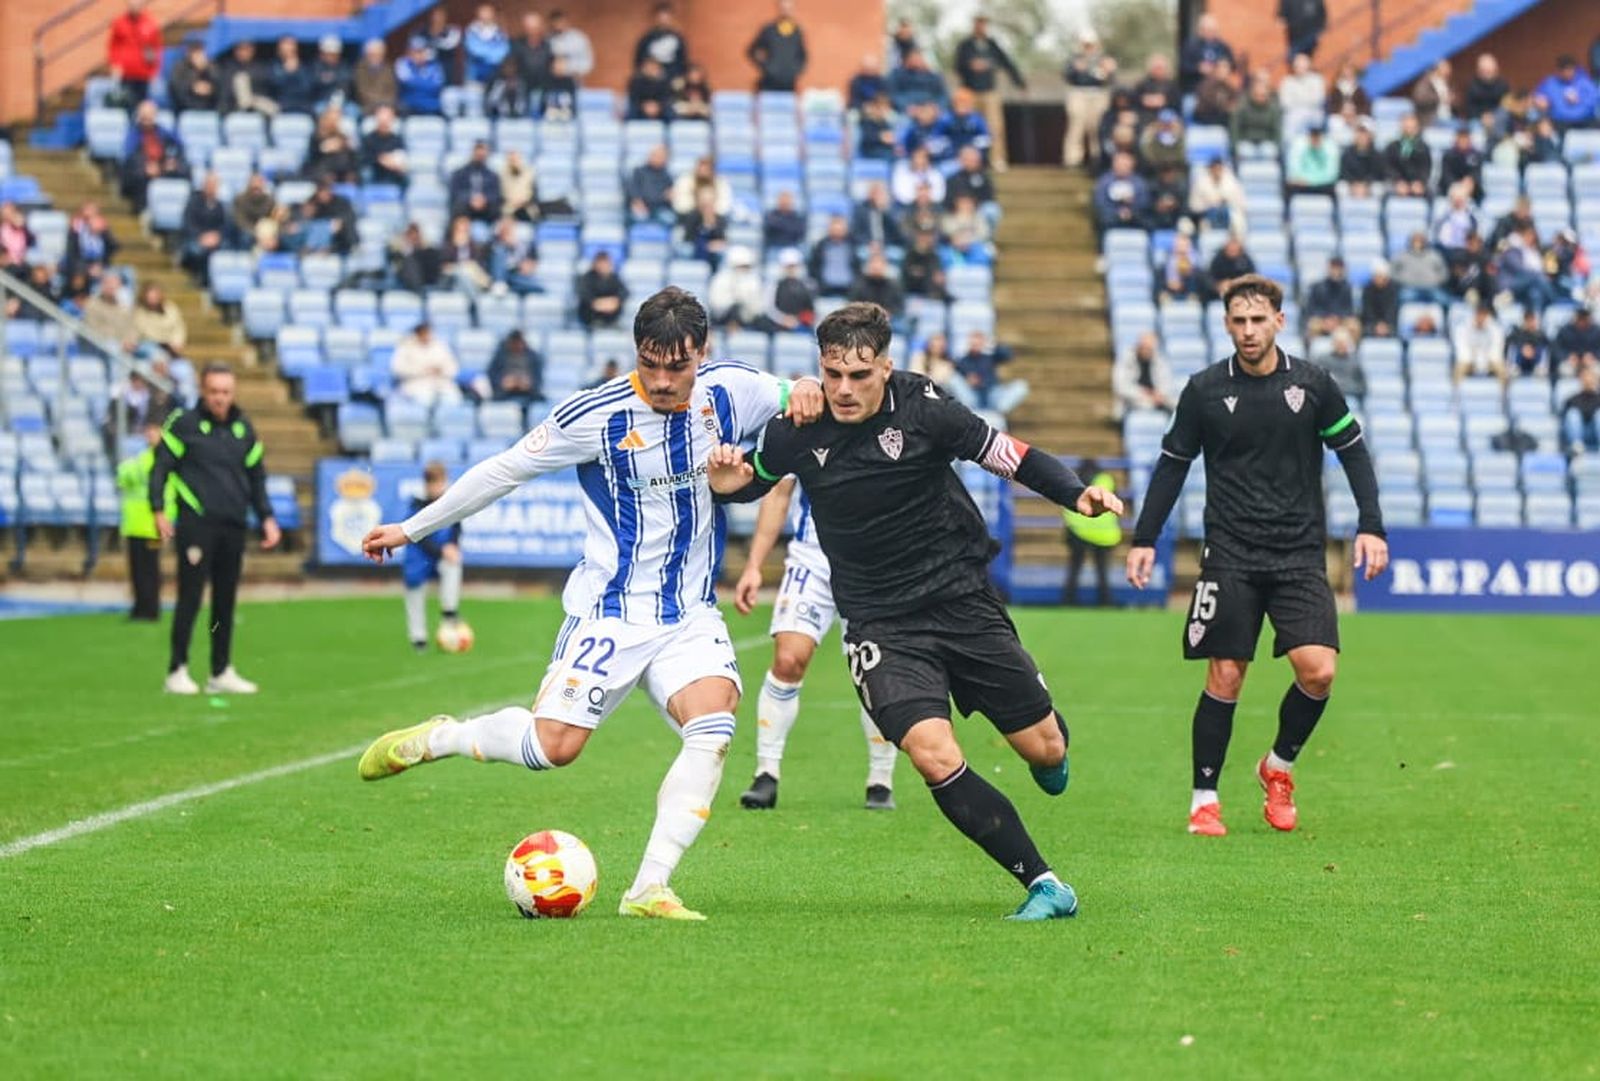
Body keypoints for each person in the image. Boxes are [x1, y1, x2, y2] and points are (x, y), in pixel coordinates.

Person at [354, 287, 826, 922]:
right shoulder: (595, 414)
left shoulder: (729, 390)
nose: (661, 381)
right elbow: (501, 470)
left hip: (686, 612)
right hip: (609, 609)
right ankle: (444, 737)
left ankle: (648, 888)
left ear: (701, 354)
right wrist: (413, 528)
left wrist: (803, 385)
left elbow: (794, 391)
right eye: (649, 365)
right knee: (553, 749)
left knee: (713, 725)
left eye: (676, 367)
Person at [707, 301, 1123, 920]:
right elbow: (755, 480)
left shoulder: (927, 408)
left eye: (860, 376)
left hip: (960, 599)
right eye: (832, 374)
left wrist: (1075, 493)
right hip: (879, 622)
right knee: (933, 754)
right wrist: (725, 479)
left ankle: (1051, 740)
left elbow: (1007, 453)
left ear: (887, 367)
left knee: (1045, 749)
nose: (844, 390)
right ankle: (1044, 883)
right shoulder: (798, 426)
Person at [1125, 275, 1387, 837]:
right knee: (1226, 673)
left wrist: (1371, 526)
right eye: (1238, 321)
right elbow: (1173, 463)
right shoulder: (1203, 391)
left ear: (1279, 321)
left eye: (1258, 320)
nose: (1248, 331)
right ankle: (1204, 798)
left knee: (1318, 671)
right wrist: (1145, 537)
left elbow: (1354, 452)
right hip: (1231, 552)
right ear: (1226, 325)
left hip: (1298, 553)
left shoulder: (1314, 386)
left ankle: (1278, 766)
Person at [732, 477, 899, 810]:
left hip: (876, 568)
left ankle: (881, 779)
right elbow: (779, 493)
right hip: (812, 561)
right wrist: (754, 566)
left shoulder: (894, 425)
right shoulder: (799, 424)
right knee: (788, 660)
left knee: (877, 669)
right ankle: (766, 773)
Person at [150, 364, 281, 695]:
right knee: (190, 598)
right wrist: (158, 508)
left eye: (226, 392)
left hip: (233, 524)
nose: (220, 398)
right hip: (197, 525)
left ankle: (220, 671)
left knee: (225, 601)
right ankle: (176, 669)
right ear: (203, 391)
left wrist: (266, 516)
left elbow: (256, 476)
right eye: (214, 392)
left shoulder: (243, 427)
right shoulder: (184, 425)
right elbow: (161, 466)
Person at [403, 462, 467, 652]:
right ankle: (418, 639)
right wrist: (442, 551)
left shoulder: (450, 502)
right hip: (419, 555)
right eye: (434, 483)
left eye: (440, 482)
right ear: (427, 484)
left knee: (453, 564)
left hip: (441, 553)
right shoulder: (416, 505)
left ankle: (449, 611)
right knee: (414, 592)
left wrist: (452, 546)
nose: (437, 487)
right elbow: (418, 537)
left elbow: (457, 526)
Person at [953, 15, 1024, 171]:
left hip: (990, 91)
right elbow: (957, 66)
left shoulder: (992, 45)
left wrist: (1019, 82)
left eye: (984, 24)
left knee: (995, 127)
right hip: (970, 92)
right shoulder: (965, 45)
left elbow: (1006, 62)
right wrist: (970, 66)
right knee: (969, 128)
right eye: (978, 24)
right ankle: (971, 160)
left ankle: (997, 159)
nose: (981, 27)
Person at [118, 421, 172, 621]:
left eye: (154, 430)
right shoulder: (142, 458)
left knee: (150, 568)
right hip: (135, 523)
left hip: (153, 524)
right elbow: (123, 476)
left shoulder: (162, 460)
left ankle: (151, 607)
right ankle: (140, 606)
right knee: (137, 568)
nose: (150, 435)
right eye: (148, 430)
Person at [1063, 460, 1120, 607]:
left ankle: (1068, 601)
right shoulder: (1107, 481)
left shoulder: (1073, 481)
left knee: (1075, 568)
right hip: (1103, 534)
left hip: (1078, 531)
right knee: (1102, 570)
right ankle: (1105, 602)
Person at [1062, 28, 1116, 170]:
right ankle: (1073, 159)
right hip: (1078, 92)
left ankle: (1097, 157)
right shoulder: (1074, 59)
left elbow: (1111, 79)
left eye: (1091, 45)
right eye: (1086, 45)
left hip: (1098, 94)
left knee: (1097, 126)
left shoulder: (1104, 59)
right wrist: (1075, 69)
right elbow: (1067, 76)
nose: (1088, 48)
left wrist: (1109, 71)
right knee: (1077, 124)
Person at [108, 0, 162, 107]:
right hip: (125, 74)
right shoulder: (119, 23)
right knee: (125, 105)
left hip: (144, 74)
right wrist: (114, 65)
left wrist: (154, 71)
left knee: (142, 107)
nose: (134, 6)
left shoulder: (150, 23)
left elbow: (156, 48)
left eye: (137, 4)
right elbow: (113, 47)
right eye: (132, 4)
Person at [392, 322, 461, 406]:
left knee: (453, 400)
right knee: (425, 401)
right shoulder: (405, 346)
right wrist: (423, 370)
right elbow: (397, 369)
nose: (426, 336)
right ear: (417, 334)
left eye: (428, 333)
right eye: (423, 333)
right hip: (416, 384)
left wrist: (440, 370)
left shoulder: (440, 346)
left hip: (441, 383)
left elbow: (453, 367)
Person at [747, 0, 807, 93]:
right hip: (769, 83)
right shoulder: (769, 29)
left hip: (789, 84)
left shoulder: (797, 32)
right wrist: (767, 67)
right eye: (784, 7)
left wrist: (794, 70)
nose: (786, 10)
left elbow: (803, 56)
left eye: (789, 7)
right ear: (779, 8)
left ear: (792, 9)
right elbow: (751, 51)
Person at [1112, 330, 1174, 419]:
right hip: (1132, 400)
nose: (1146, 350)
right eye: (1144, 347)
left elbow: (1167, 382)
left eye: (1149, 348)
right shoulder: (1125, 359)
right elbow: (1120, 386)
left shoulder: (1160, 360)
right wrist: (1143, 393)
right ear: (1139, 345)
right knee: (1144, 405)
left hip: (1157, 399)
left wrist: (1159, 394)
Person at [1535, 56, 1598, 132]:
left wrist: (1579, 100)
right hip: (1560, 123)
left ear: (1574, 69)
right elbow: (1537, 98)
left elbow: (1595, 101)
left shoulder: (1585, 82)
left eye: (1570, 69)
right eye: (1563, 70)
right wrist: (1540, 101)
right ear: (1558, 71)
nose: (1567, 73)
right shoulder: (1550, 83)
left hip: (1586, 122)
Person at [1179, 13, 1235, 94]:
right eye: (1206, 30)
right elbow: (1183, 66)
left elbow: (1232, 65)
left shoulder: (1223, 47)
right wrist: (1198, 68)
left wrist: (1221, 68)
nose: (1210, 33)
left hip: (1218, 90)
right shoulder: (1190, 46)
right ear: (1200, 30)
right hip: (1194, 90)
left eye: (1212, 30)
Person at [218, 41, 278, 117]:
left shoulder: (261, 68)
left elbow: (266, 90)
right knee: (241, 79)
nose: (243, 53)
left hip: (259, 108)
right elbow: (225, 94)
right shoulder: (229, 68)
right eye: (240, 49)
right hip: (235, 109)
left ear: (252, 50)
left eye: (246, 49)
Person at [449, 141, 503, 222]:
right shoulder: (460, 173)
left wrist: (484, 199)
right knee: (458, 208)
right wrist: (471, 199)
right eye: (478, 152)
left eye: (483, 153)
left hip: (486, 208)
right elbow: (456, 193)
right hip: (467, 207)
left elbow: (496, 194)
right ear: (473, 152)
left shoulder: (493, 176)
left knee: (497, 210)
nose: (480, 155)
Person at [635, 3, 689, 84]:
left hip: (672, 79)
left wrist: (678, 76)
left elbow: (682, 61)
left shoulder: (677, 38)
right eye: (661, 16)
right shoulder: (647, 38)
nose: (663, 19)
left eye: (666, 16)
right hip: (651, 80)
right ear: (655, 18)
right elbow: (639, 60)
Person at [488, 328, 543, 402]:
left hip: (528, 391)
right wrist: (503, 382)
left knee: (540, 400)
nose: (517, 346)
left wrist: (529, 383)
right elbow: (492, 374)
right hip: (504, 391)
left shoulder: (532, 356)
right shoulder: (500, 355)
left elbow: (538, 377)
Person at [1312, 327, 1366, 403]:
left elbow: (1362, 386)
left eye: (1344, 342)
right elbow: (1316, 382)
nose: (1341, 345)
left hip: (1350, 397)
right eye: (1339, 342)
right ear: (1333, 343)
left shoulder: (1355, 360)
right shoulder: (1322, 360)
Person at [396, 36, 446, 116]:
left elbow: (436, 86)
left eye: (421, 51)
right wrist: (425, 82)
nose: (419, 55)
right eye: (415, 51)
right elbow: (407, 84)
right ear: (410, 52)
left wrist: (416, 81)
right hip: (410, 106)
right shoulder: (403, 63)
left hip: (432, 106)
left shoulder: (435, 65)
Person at [577, 251, 627, 328]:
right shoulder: (587, 278)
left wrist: (614, 302)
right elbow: (583, 293)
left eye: (606, 264)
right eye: (601, 264)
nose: (603, 266)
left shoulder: (614, 278)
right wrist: (596, 303)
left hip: (610, 316)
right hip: (590, 317)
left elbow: (624, 292)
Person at [627, 145, 675, 225]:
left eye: (662, 157)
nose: (658, 158)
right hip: (641, 207)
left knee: (670, 219)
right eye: (656, 155)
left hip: (660, 208)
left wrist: (670, 195)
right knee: (640, 218)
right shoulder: (639, 172)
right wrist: (638, 202)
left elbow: (669, 193)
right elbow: (633, 189)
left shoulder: (666, 175)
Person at [464, 5, 510, 85]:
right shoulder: (471, 31)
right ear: (478, 14)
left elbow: (503, 52)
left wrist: (488, 54)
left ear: (493, 15)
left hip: (496, 78)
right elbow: (475, 50)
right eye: (484, 12)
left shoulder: (499, 32)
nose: (486, 15)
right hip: (475, 78)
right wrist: (492, 53)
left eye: (489, 12)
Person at [169, 39, 218, 113]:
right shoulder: (179, 68)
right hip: (185, 109)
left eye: (200, 51)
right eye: (194, 51)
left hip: (210, 108)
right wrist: (193, 87)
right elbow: (176, 91)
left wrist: (205, 69)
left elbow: (220, 87)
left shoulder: (211, 66)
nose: (197, 55)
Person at [354, 39, 399, 115]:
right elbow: (362, 91)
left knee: (386, 114)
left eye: (378, 54)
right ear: (367, 54)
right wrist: (379, 103)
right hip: (367, 106)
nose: (375, 57)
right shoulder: (360, 69)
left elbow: (393, 91)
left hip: (386, 106)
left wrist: (384, 105)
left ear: (383, 54)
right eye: (372, 54)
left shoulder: (389, 69)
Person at [1562, 365, 1600, 454]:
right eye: (1586, 377)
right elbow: (1564, 419)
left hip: (1595, 432)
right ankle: (1577, 446)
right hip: (1577, 433)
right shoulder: (1572, 399)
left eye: (1591, 378)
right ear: (1581, 380)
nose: (1589, 380)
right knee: (1573, 414)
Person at [548, 10, 594, 82]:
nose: (558, 26)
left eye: (560, 22)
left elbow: (588, 64)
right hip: (552, 84)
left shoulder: (579, 39)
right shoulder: (548, 40)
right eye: (555, 23)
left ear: (566, 21)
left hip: (573, 83)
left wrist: (567, 68)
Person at [1505, 308, 1550, 379]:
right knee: (1513, 348)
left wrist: (1532, 350)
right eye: (1528, 320)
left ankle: (1541, 368)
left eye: (1532, 320)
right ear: (1524, 320)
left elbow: (1547, 345)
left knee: (1542, 348)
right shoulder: (1517, 332)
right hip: (1521, 359)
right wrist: (1523, 348)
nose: (1530, 322)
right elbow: (1509, 343)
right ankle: (1513, 368)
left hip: (1535, 358)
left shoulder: (1540, 333)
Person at [1361, 258, 1400, 338]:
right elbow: (1367, 311)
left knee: (1394, 332)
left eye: (1381, 276)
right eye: (1377, 276)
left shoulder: (1393, 289)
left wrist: (1386, 324)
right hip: (1371, 323)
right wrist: (1376, 325)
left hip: (1389, 323)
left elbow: (1392, 310)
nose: (1379, 279)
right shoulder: (1367, 290)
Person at [424, 6, 463, 84]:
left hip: (447, 69)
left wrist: (433, 42)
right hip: (429, 71)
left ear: (445, 17)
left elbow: (449, 45)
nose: (437, 18)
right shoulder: (423, 32)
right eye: (435, 16)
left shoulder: (452, 30)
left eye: (440, 16)